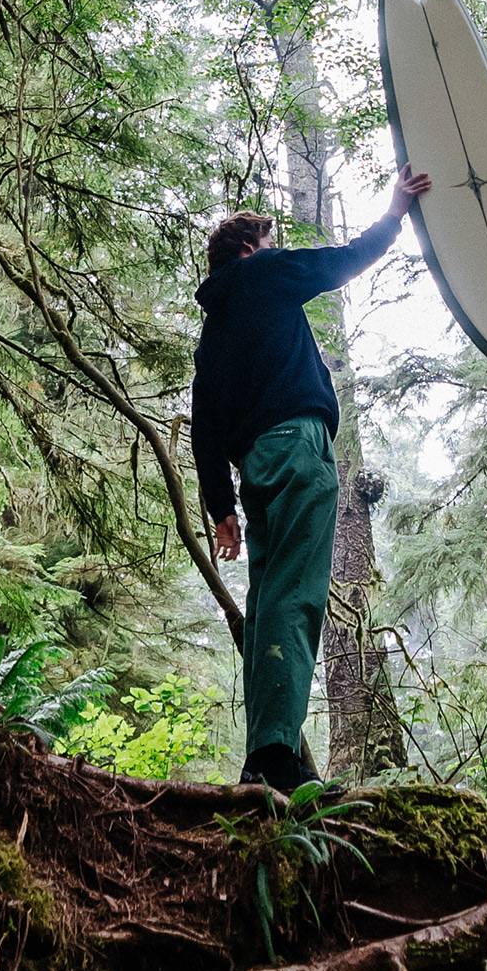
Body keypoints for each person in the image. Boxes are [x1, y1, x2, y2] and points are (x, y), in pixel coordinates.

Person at [191, 167, 431, 792]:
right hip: (299, 448)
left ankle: (265, 754)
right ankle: (276, 756)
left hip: (256, 471)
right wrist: (394, 215)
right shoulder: (264, 273)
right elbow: (336, 263)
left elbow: (204, 427)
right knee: (296, 596)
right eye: (268, 243)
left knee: (269, 599)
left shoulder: (212, 334)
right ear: (249, 250)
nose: (275, 251)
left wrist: (222, 510)